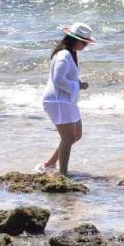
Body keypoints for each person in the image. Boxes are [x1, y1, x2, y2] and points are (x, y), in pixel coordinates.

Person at [37, 22, 94, 176]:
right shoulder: (64, 54)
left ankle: (49, 164)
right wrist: (77, 86)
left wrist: (79, 84)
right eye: (84, 42)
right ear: (74, 39)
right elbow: (58, 79)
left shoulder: (70, 53)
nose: (85, 46)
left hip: (66, 100)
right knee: (68, 138)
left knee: (77, 135)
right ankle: (63, 174)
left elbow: (66, 77)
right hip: (57, 100)